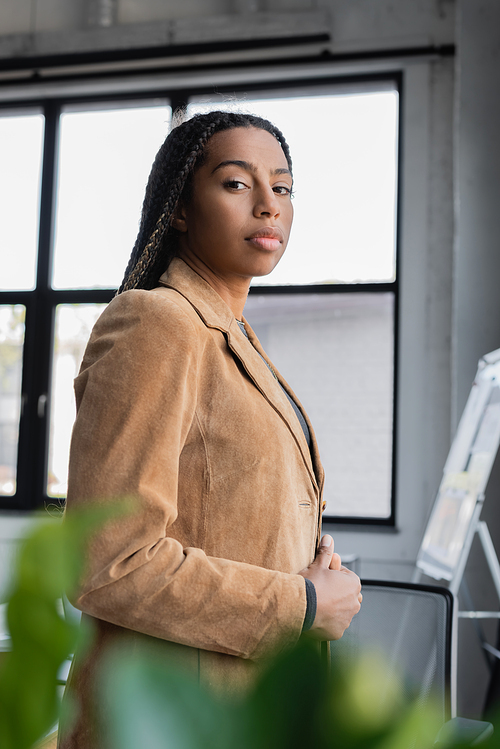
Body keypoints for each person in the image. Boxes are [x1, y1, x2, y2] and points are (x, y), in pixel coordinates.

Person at [59, 110, 362, 749]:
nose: (267, 207)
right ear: (178, 209)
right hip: (166, 721)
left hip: (234, 710)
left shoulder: (231, 336)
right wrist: (300, 606)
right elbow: (108, 561)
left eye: (281, 188)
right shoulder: (156, 323)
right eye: (235, 183)